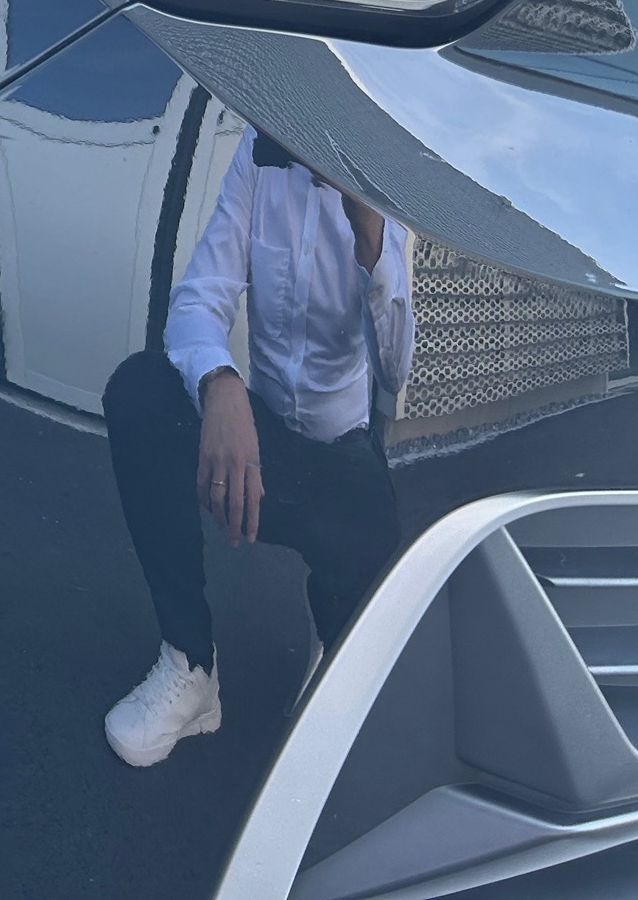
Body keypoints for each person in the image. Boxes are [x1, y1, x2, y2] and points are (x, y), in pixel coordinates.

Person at [100, 127, 414, 768]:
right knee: (140, 391)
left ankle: (333, 628)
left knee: (375, 541)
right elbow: (200, 295)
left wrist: (369, 228)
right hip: (260, 451)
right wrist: (219, 382)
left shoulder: (387, 166)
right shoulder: (257, 152)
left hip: (342, 462)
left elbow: (395, 368)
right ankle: (190, 665)